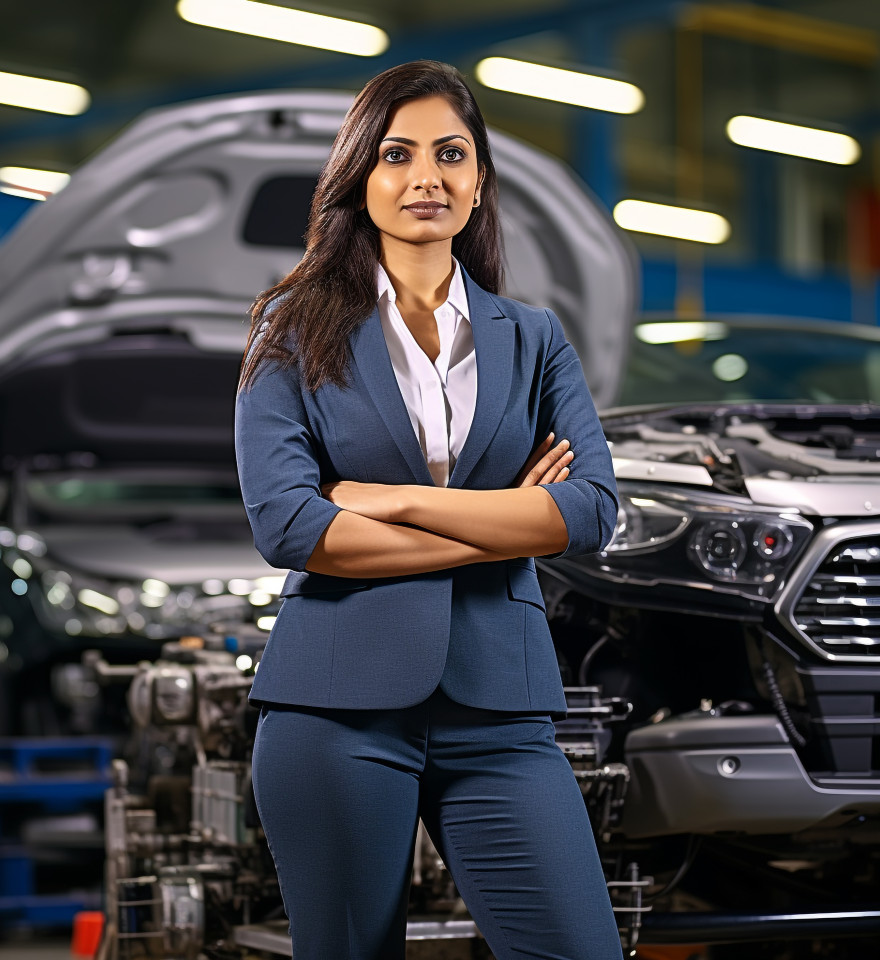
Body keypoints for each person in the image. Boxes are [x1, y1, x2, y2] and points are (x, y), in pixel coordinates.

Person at [234, 59, 622, 960]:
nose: (427, 177)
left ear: (480, 177)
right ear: (360, 176)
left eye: (452, 153)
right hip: (333, 709)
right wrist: (501, 523)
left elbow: (591, 509)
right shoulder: (289, 329)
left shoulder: (534, 337)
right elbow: (291, 528)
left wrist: (399, 500)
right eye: (398, 154)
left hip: (502, 712)